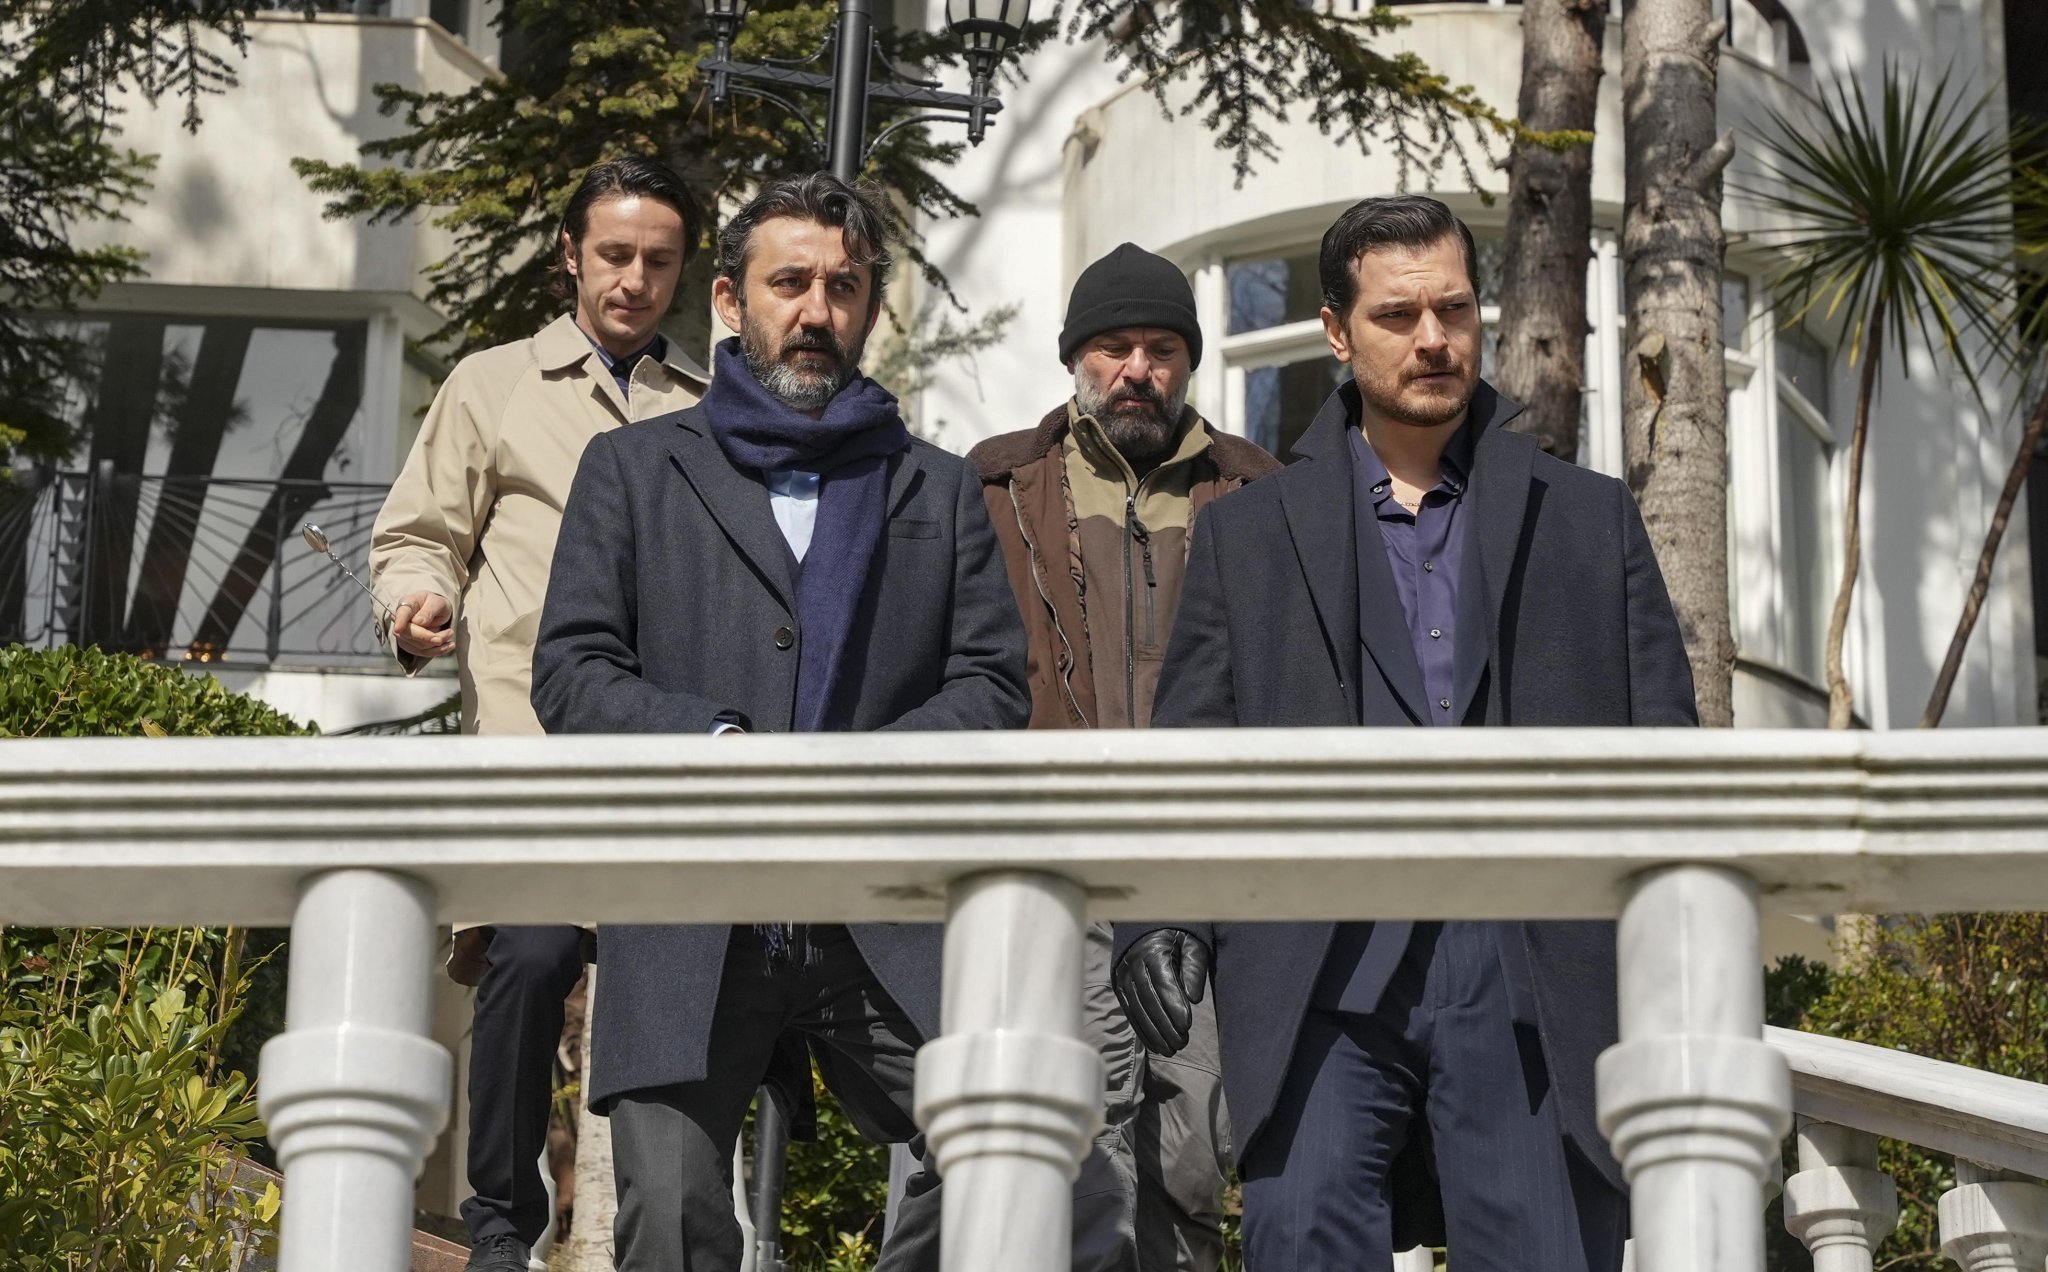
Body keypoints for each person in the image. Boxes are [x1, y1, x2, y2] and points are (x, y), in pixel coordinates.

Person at [1112, 195, 1698, 1271]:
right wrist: (1162, 912)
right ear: (1336, 333)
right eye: (1397, 316)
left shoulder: (1589, 517)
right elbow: (1191, 746)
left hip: (1530, 964)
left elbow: (1667, 750)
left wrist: (1674, 951)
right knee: (1301, 1243)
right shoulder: (1246, 535)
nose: (1433, 338)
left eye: (1454, 309)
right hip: (1317, 962)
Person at [529, 172, 1031, 1272]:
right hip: (688, 909)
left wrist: (865, 769)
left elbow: (993, 684)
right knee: (670, 1221)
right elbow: (571, 672)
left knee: (1004, 1152)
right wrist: (717, 747)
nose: (816, 310)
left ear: (870, 310)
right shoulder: (634, 470)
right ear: (729, 299)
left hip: (879, 913)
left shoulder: (936, 487)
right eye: (789, 282)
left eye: (842, 288)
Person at [367, 156, 709, 1272]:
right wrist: (416, 601)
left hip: (664, 749)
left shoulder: (710, 408)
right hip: (527, 742)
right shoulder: (491, 385)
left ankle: (661, 1237)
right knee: (529, 950)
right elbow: (418, 532)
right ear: (570, 255)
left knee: (673, 979)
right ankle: (501, 1226)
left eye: (658, 260)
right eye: (614, 255)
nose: (634, 280)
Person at [968, 242, 1276, 1272]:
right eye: (1112, 347)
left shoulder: (1260, 490)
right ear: (1074, 358)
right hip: (1054, 859)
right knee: (1081, 1141)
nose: (1137, 369)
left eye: (1160, 348)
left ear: (1187, 362)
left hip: (1205, 865)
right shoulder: (995, 486)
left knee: (1192, 1151)